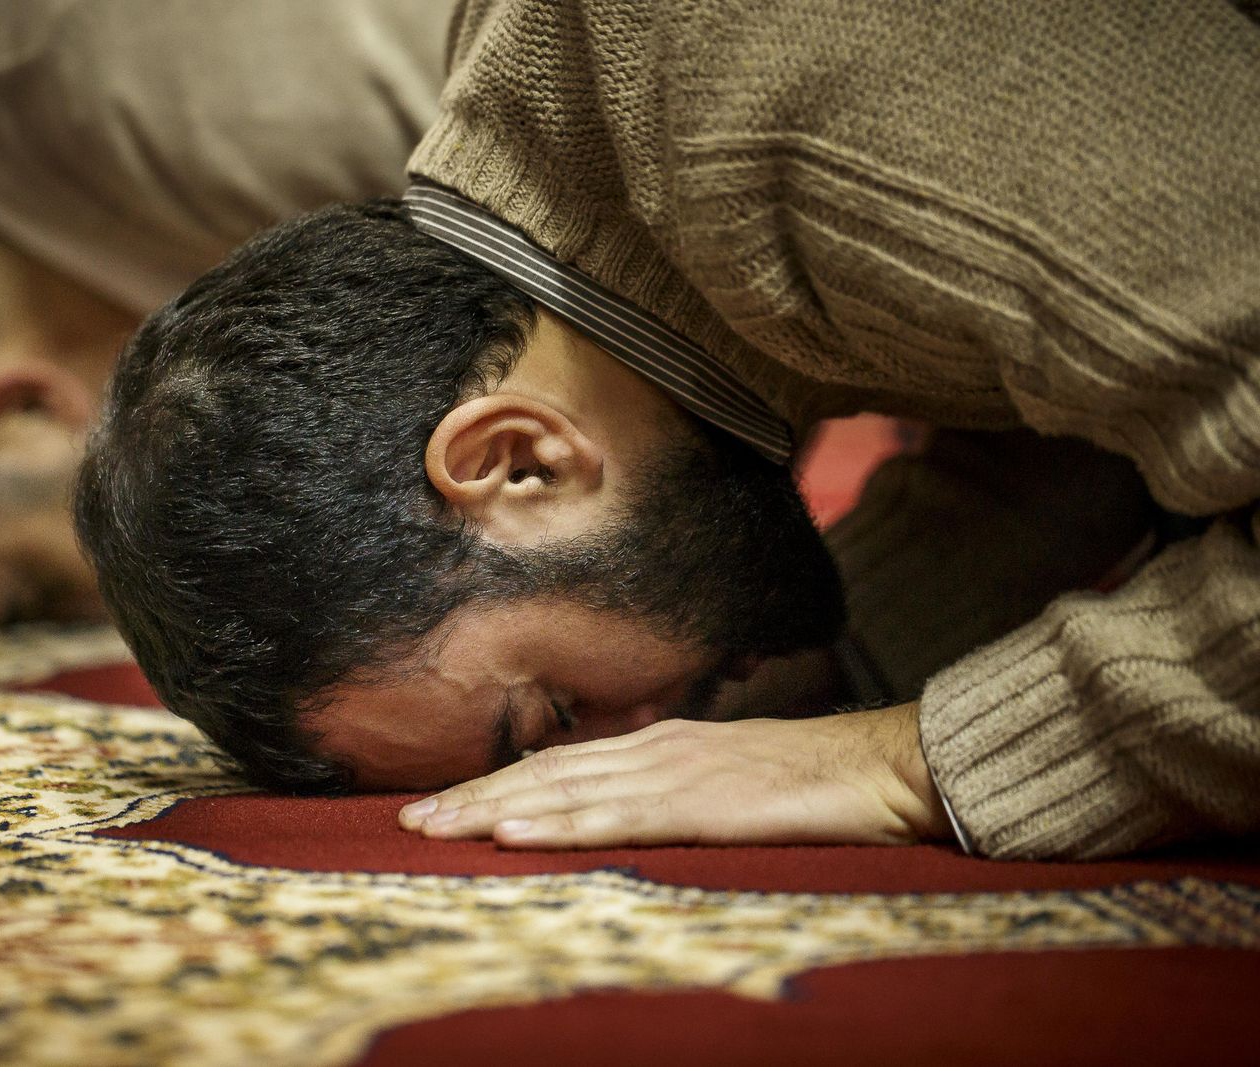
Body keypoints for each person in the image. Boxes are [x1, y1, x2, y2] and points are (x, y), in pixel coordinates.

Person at [75, 0, 1260, 861]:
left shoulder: (767, 99)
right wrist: (829, 679)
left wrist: (903, 758)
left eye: (557, 717)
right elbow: (1066, 415)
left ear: (518, 460)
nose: (637, 746)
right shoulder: (570, 151)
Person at [0, 0, 446, 624]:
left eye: (31, 598)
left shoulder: (198, 115)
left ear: (23, 409)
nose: (94, 613)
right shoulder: (41, 121)